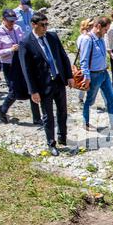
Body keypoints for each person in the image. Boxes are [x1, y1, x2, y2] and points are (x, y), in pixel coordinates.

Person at [19, 12, 74, 156]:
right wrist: (33, 91)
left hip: (58, 80)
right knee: (48, 115)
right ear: (34, 25)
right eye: (42, 25)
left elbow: (63, 56)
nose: (45, 28)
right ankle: (51, 143)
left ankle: (62, 136)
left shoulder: (52, 37)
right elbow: (26, 70)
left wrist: (69, 76)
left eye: (46, 24)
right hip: (43, 85)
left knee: (62, 111)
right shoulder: (26, 43)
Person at [0, 9, 42, 125]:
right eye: (9, 21)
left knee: (31, 87)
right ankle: (3, 110)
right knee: (13, 91)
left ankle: (37, 118)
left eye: (13, 21)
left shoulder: (18, 29)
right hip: (8, 64)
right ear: (3, 19)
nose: (12, 23)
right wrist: (10, 49)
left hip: (21, 62)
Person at [79, 16, 113, 131]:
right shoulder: (88, 39)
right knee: (90, 100)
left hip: (104, 73)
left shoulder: (101, 38)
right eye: (105, 30)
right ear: (98, 26)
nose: (106, 32)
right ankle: (85, 123)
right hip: (93, 75)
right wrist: (87, 77)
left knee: (111, 98)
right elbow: (83, 60)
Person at [76, 18, 94, 104]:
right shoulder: (84, 38)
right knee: (85, 78)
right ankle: (83, 98)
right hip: (87, 60)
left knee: (85, 78)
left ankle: (81, 98)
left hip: (86, 60)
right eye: (91, 26)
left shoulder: (82, 37)